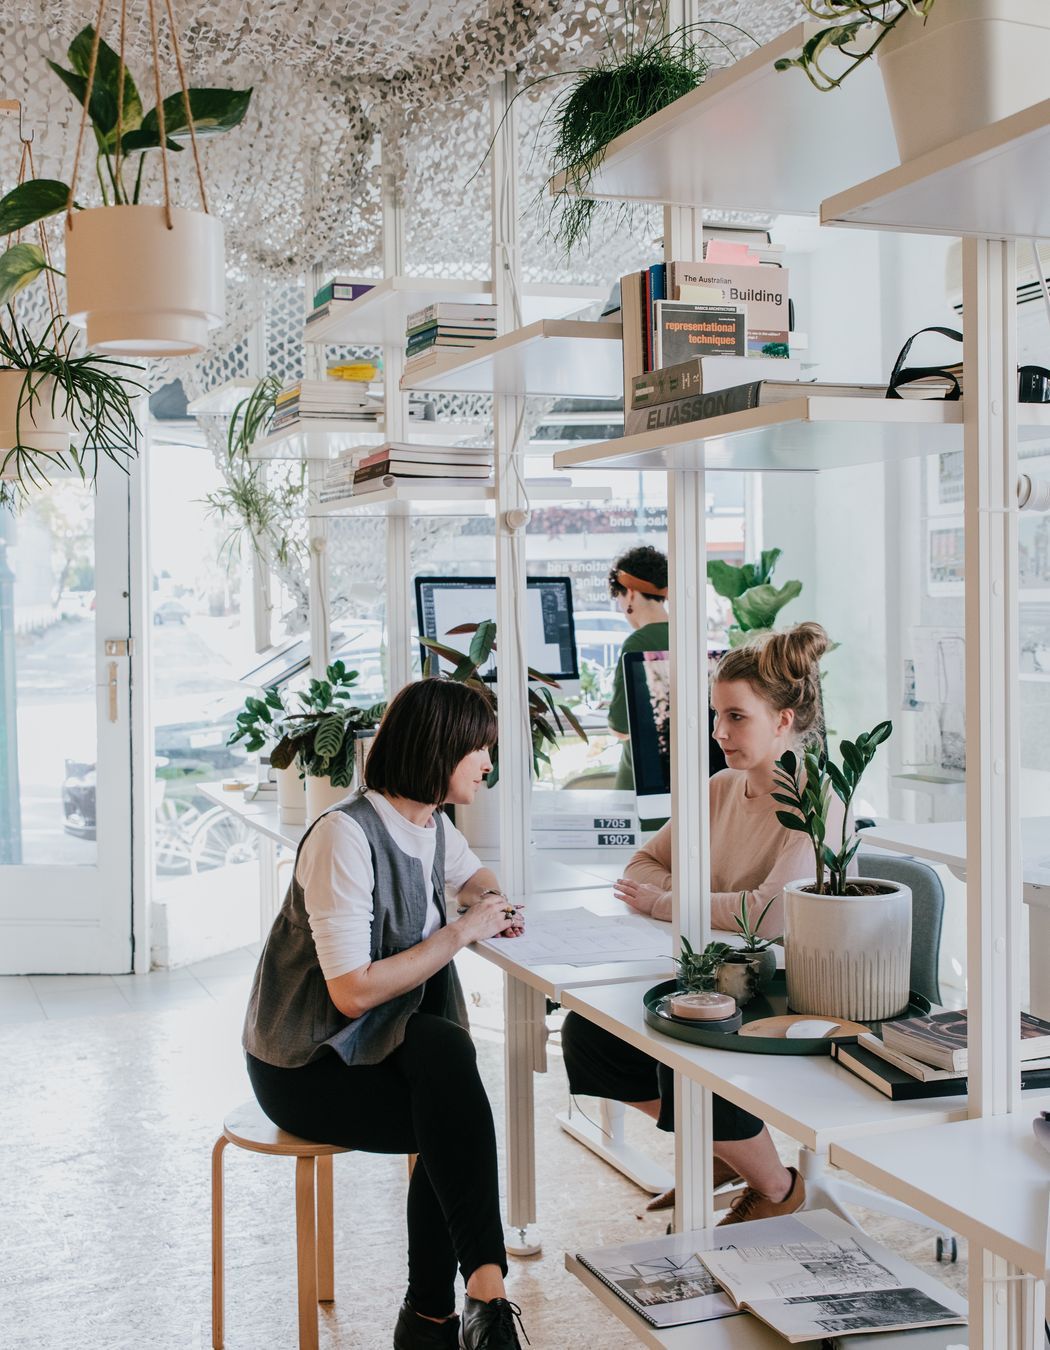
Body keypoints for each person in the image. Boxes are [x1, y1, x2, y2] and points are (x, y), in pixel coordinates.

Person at [242, 678, 528, 1350]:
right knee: (453, 1108)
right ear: (440, 749)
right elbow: (352, 994)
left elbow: (475, 879)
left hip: (382, 1049)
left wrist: (494, 903)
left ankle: (456, 1309)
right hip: (307, 1065)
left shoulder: (429, 825)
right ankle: (451, 1314)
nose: (488, 761)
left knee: (448, 1078)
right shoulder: (344, 836)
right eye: (479, 748)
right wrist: (461, 932)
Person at [563, 621, 847, 1224]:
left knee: (683, 1042)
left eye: (736, 717)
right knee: (588, 1034)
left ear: (783, 721)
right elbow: (642, 862)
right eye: (717, 716)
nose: (719, 732)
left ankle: (777, 1188)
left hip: (783, 985)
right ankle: (727, 1149)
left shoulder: (817, 805)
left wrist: (673, 901)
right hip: (714, 968)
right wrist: (707, 897)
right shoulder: (720, 789)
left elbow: (771, 914)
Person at [606, 545, 670, 790]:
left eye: (620, 599)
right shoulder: (691, 636)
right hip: (683, 782)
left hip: (641, 783)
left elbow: (620, 727)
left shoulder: (637, 643)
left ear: (630, 593)